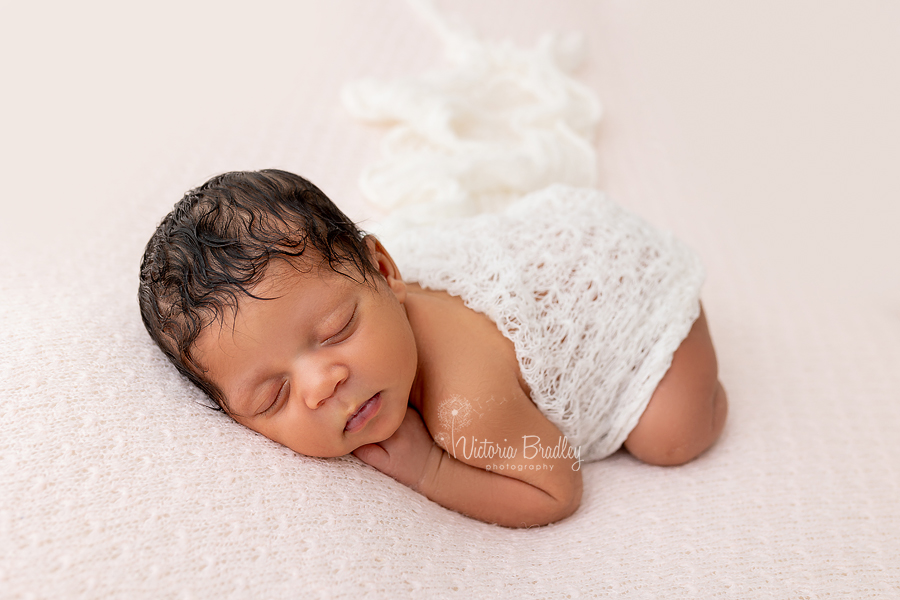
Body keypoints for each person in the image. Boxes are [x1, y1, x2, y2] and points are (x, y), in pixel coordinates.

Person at [139, 169, 728, 528]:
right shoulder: (341, 294)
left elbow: (557, 487)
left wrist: (432, 469)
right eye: (274, 396)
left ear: (385, 270)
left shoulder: (464, 410)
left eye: (337, 329)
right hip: (533, 263)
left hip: (621, 285)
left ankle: (693, 345)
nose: (322, 385)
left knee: (673, 436)